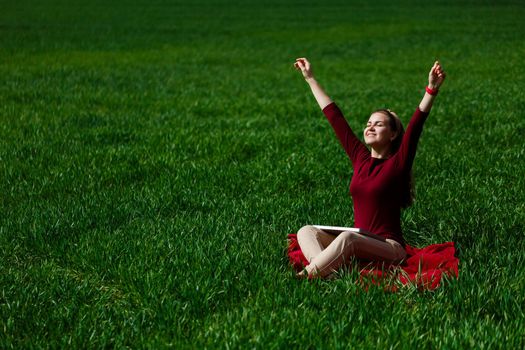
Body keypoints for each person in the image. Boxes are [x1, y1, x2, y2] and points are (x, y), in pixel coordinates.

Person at [293, 58, 446, 278]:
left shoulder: (398, 164)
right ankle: (327, 270)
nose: (370, 127)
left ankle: (307, 276)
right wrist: (310, 78)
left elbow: (416, 125)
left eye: (379, 124)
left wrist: (431, 89)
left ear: (393, 135)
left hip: (390, 248)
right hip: (361, 242)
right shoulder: (360, 159)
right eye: (368, 123)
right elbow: (335, 118)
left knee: (348, 239)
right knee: (306, 231)